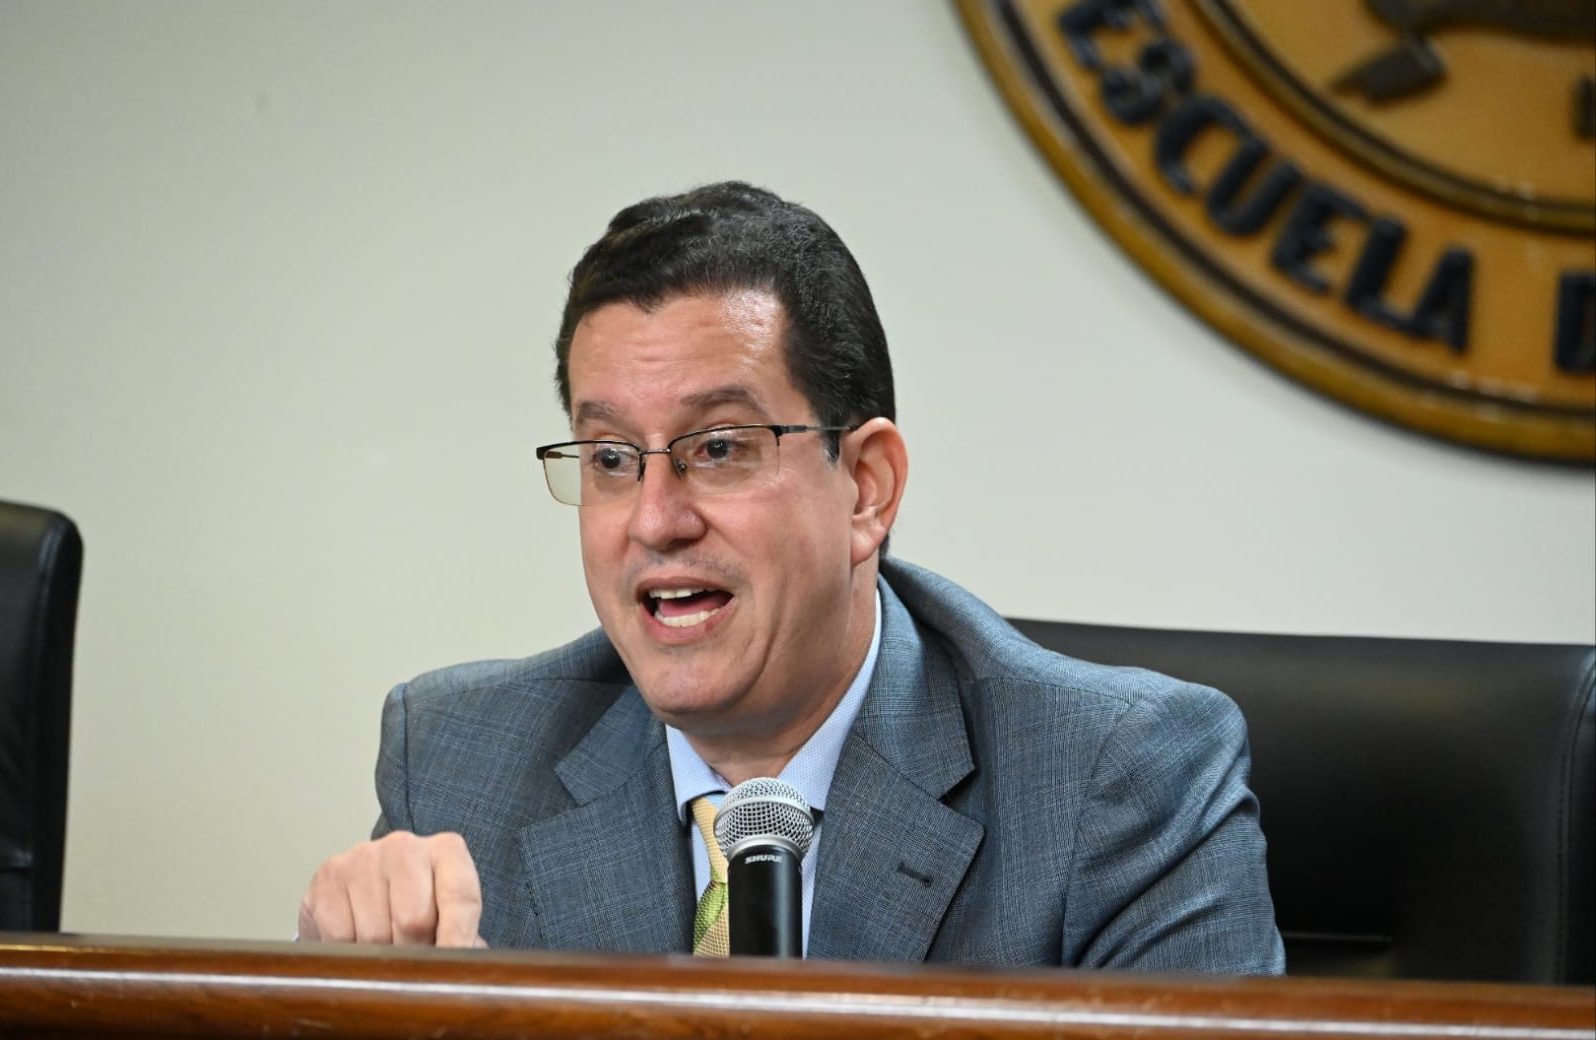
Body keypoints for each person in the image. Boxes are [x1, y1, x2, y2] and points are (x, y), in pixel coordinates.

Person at [298, 181, 1284, 971]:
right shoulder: (461, 761)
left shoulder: (1115, 781)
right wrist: (335, 1002)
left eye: (719, 447)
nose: (654, 519)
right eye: (610, 458)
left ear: (866, 486)